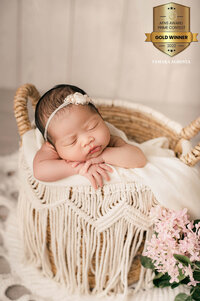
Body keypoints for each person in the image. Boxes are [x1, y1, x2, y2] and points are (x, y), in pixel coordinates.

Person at [33, 84, 147, 189]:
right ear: (53, 145)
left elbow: (139, 158)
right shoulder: (52, 149)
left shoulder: (110, 141)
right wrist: (79, 168)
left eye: (92, 127)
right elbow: (39, 171)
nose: (87, 140)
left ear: (99, 115)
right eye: (72, 141)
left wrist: (103, 156)